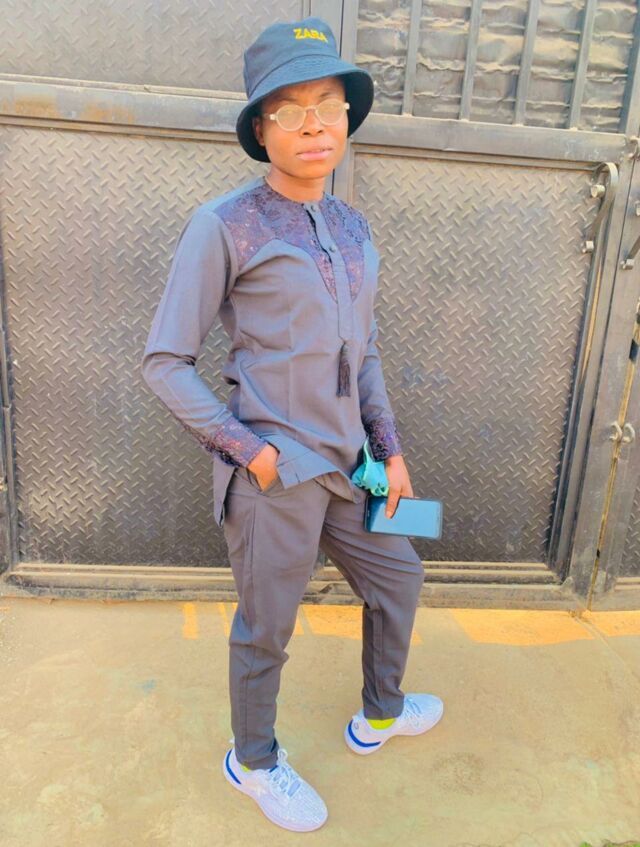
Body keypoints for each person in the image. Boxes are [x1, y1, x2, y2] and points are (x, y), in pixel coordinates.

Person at [141, 14, 444, 833]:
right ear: (261, 129)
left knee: (401, 576)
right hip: (275, 477)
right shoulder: (225, 225)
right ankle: (253, 760)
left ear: (347, 116)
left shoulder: (352, 226)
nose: (315, 124)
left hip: (354, 467)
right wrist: (253, 451)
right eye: (292, 109)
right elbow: (163, 362)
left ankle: (381, 712)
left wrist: (391, 450)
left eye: (329, 104)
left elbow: (365, 349)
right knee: (266, 628)